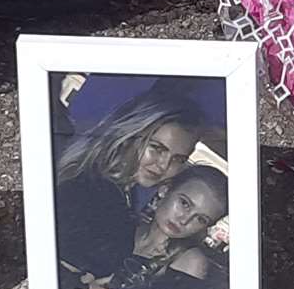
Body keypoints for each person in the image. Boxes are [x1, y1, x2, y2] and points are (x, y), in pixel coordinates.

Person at [58, 165, 230, 289]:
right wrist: (80, 288)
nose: (184, 220)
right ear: (165, 190)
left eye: (200, 219)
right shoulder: (122, 224)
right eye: (184, 203)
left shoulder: (190, 262)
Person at [56, 89, 200, 215]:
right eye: (157, 148)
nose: (164, 165)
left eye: (178, 159)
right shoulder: (94, 193)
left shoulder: (122, 194)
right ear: (129, 136)